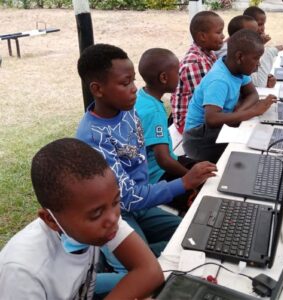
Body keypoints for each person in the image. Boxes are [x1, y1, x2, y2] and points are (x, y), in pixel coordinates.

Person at [76, 44, 217, 281]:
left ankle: (125, 258)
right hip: (116, 215)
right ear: (98, 89)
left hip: (141, 207)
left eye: (133, 81)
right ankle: (82, 283)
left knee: (194, 234)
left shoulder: (127, 111)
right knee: (145, 273)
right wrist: (183, 182)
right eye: (125, 83)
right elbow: (127, 198)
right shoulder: (93, 138)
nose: (133, 90)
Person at [0, 138, 164, 299]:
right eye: (96, 214)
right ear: (50, 220)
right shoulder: (23, 273)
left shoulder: (103, 213)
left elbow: (150, 271)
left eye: (116, 201)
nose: (113, 219)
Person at [183, 29, 277, 163]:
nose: (259, 64)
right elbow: (212, 119)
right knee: (251, 152)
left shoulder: (237, 68)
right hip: (199, 139)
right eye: (256, 58)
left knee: (259, 135)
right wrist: (253, 111)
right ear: (240, 57)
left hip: (218, 128)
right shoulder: (219, 80)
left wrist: (240, 112)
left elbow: (253, 94)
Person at [135, 48, 202, 213]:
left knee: (206, 168)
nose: (180, 77)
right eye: (177, 73)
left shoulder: (141, 97)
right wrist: (190, 178)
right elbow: (163, 159)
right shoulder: (154, 111)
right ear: (164, 78)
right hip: (157, 176)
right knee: (201, 192)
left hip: (155, 168)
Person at [170, 11, 225, 135]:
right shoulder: (195, 63)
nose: (223, 36)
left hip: (202, 115)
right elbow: (208, 100)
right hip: (190, 124)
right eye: (219, 32)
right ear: (202, 37)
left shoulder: (208, 53)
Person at [243, 6, 283, 88]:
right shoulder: (240, 47)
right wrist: (271, 51)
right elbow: (260, 84)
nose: (262, 29)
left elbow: (255, 76)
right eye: (259, 24)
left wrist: (267, 77)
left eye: (263, 24)